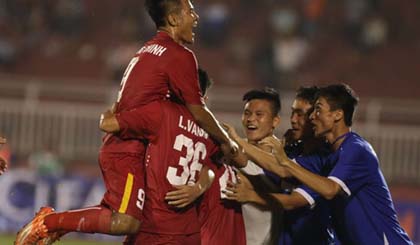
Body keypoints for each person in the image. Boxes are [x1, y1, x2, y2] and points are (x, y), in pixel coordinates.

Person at [15, 0, 237, 244]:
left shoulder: (148, 50)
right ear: (173, 19)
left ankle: (57, 225)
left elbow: (117, 111)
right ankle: (48, 223)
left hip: (128, 143)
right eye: (189, 12)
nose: (195, 17)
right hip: (128, 145)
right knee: (126, 221)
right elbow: (199, 110)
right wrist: (227, 142)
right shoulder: (179, 56)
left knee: (129, 221)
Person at [265, 84, 413, 244]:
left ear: (337, 115)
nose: (312, 116)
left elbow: (330, 189)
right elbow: (282, 170)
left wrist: (286, 162)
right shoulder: (327, 156)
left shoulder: (357, 149)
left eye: (318, 110)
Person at [99, 68, 219, 244]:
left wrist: (115, 106)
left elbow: (107, 125)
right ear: (204, 100)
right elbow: (211, 167)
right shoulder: (212, 129)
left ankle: (53, 222)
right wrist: (198, 187)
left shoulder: (162, 111)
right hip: (189, 231)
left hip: (154, 225)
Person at [225, 86, 337, 244]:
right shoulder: (290, 150)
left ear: (315, 117)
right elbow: (268, 177)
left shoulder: (321, 161)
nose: (293, 120)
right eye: (293, 112)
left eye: (301, 114)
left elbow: (290, 199)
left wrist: (234, 141)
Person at [224, 88, 283, 245]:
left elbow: (282, 197)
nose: (251, 119)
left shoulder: (283, 158)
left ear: (275, 121)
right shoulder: (234, 148)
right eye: (247, 113)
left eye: (259, 114)